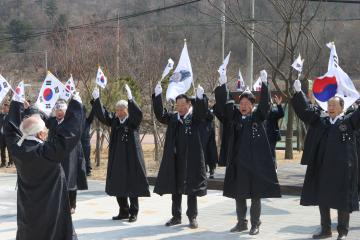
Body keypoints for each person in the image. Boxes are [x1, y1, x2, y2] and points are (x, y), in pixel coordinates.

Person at [4, 93, 83, 240]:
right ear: (41, 133)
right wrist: (76, 104)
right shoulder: (47, 152)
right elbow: (70, 134)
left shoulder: (17, 150)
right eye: (45, 130)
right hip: (51, 206)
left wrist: (15, 104)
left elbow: (9, 130)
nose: (47, 132)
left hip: (28, 208)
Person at [292, 79, 360, 240]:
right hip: (323, 168)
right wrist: (298, 93)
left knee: (342, 201)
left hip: (343, 169)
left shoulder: (348, 123)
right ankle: (326, 229)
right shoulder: (322, 122)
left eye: (333, 106)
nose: (330, 108)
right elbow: (307, 113)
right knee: (323, 199)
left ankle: (342, 232)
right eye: (329, 105)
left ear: (341, 108)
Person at [215, 70, 281, 235]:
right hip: (238, 165)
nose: (243, 106)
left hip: (255, 166)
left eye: (247, 103)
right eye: (241, 103)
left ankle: (255, 224)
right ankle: (241, 223)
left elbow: (265, 105)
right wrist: (222, 86)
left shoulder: (257, 118)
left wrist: (265, 85)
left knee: (256, 196)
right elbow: (224, 105)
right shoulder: (235, 118)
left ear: (252, 105)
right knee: (239, 195)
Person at [152, 83, 208, 229]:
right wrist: (157, 96)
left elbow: (202, 113)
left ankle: (192, 217)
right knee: (175, 188)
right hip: (175, 159)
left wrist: (201, 98)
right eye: (178, 105)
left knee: (191, 189)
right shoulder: (173, 118)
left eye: (183, 105)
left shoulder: (194, 117)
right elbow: (160, 115)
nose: (181, 108)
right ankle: (176, 216)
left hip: (190, 159)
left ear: (189, 104)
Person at [91, 84, 150, 223]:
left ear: (126, 110)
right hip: (117, 158)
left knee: (133, 185)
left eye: (121, 109)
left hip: (132, 158)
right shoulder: (115, 121)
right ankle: (123, 210)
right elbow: (103, 115)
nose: (118, 112)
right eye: (116, 110)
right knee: (118, 184)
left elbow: (138, 114)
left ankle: (133, 212)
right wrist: (97, 99)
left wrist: (131, 99)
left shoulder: (132, 121)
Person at [45, 99, 88, 214]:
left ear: (66, 111)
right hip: (55, 152)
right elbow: (42, 117)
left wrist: (79, 104)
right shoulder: (52, 121)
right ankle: (58, 203)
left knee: (70, 177)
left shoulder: (70, 121)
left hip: (71, 151)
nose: (59, 112)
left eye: (62, 110)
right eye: (57, 110)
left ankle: (72, 204)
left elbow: (81, 117)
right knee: (56, 177)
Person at [265, 95, 284, 169]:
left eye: (270, 104)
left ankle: (273, 168)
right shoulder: (260, 113)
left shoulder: (273, 112)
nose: (269, 105)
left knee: (271, 152)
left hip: (272, 137)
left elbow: (281, 114)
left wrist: (279, 104)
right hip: (262, 136)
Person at [201, 108, 218, 179]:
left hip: (206, 130)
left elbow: (211, 117)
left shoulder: (206, 110)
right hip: (206, 130)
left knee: (208, 151)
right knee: (207, 151)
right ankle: (209, 170)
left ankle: (210, 170)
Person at [81, 105, 95, 176]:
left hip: (86, 143)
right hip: (77, 143)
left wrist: (95, 103)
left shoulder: (88, 120)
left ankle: (88, 171)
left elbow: (92, 114)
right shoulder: (75, 121)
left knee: (87, 157)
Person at [0, 101, 13, 168]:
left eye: (5, 108)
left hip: (8, 136)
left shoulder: (11, 116)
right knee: (2, 150)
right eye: (3, 108)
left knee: (9, 150)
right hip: (2, 136)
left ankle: (10, 162)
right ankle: (3, 163)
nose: (4, 109)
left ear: (8, 108)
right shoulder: (1, 115)